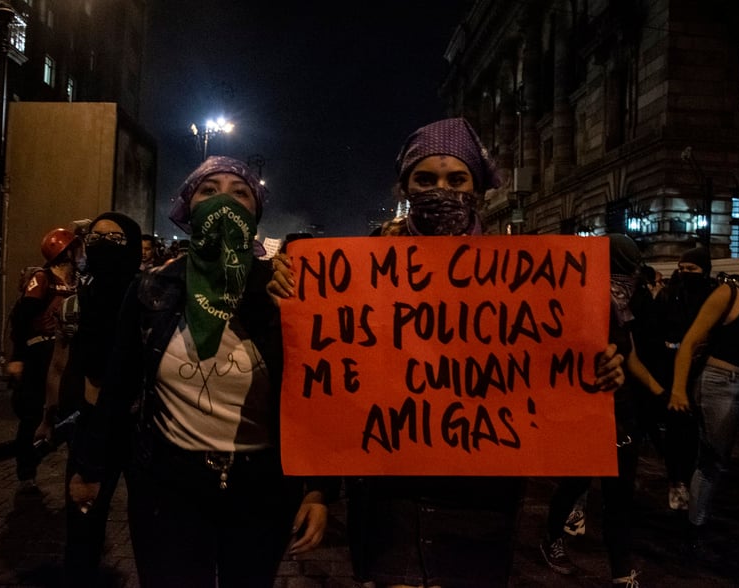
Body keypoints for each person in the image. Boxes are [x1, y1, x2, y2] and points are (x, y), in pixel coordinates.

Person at [268, 117, 626, 588]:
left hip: (482, 495)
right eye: (426, 179)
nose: (442, 190)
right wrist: (317, 488)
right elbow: (330, 379)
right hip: (387, 493)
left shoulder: (522, 277)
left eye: (457, 179)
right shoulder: (356, 271)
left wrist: (598, 372)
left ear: (478, 189)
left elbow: (559, 366)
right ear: (405, 186)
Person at [68, 156, 336, 587]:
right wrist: (91, 466)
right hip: (167, 487)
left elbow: (318, 393)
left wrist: (319, 489)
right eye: (209, 191)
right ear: (188, 208)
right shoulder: (152, 286)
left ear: (256, 212)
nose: (223, 202)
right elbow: (119, 386)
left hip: (260, 489)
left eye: (239, 192)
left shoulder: (284, 290)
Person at [539, 234, 663, 587]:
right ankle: (551, 539)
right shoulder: (578, 299)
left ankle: (621, 572)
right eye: (630, 262)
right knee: (574, 482)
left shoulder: (623, 304)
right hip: (583, 410)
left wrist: (660, 392)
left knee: (620, 494)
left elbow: (630, 353)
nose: (635, 270)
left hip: (620, 411)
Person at [35, 212, 142, 585]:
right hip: (92, 428)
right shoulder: (75, 306)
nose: (101, 247)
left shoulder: (153, 303)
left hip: (144, 430)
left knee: (151, 530)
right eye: (94, 239)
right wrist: (48, 418)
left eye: (114, 241)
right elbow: (59, 366)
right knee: (82, 528)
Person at [671, 232, 739, 585]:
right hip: (721, 382)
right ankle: (694, 532)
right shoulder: (729, 293)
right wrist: (678, 391)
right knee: (713, 462)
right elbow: (690, 342)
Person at [6, 228, 81, 487]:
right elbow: (22, 317)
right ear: (65, 251)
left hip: (66, 353)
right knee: (30, 414)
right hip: (39, 353)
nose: (80, 253)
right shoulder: (42, 278)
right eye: (75, 248)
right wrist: (17, 357)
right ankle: (26, 472)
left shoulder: (77, 280)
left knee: (70, 413)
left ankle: (42, 453)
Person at [647, 247, 716, 510]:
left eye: (692, 269)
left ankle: (697, 482)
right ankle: (678, 481)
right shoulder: (668, 295)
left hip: (705, 372)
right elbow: (654, 331)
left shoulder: (712, 296)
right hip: (672, 372)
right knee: (678, 431)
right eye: (682, 268)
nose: (685, 273)